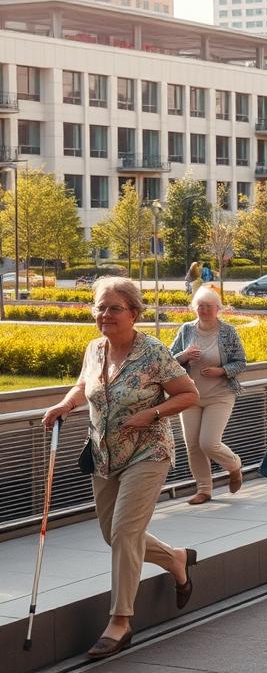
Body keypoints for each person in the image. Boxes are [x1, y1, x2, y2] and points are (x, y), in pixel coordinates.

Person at [42, 277, 200, 659]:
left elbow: (189, 394)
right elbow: (84, 386)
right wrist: (65, 404)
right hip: (104, 454)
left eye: (114, 307)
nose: (105, 314)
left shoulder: (153, 352)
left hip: (148, 452)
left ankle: (120, 620)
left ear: (133, 312)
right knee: (114, 535)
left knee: (126, 530)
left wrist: (152, 413)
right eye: (100, 306)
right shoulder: (94, 349)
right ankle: (176, 558)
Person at [169, 286, 246, 505]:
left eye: (208, 306)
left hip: (220, 395)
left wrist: (221, 371)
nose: (204, 310)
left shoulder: (228, 331)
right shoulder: (186, 330)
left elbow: (240, 362)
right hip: (190, 395)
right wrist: (184, 356)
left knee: (209, 443)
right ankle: (204, 489)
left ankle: (234, 466)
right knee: (193, 445)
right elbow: (169, 360)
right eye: (200, 306)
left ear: (218, 309)